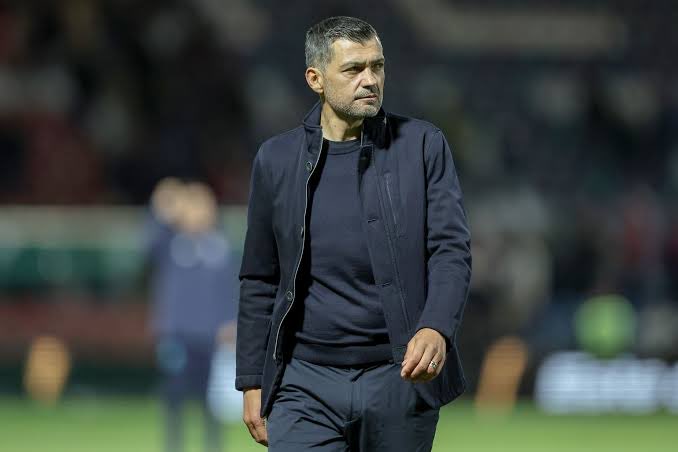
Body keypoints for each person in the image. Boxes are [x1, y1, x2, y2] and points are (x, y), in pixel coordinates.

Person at [235, 16, 472, 451]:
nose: (370, 80)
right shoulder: (276, 160)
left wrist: (436, 326)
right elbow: (259, 278)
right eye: (353, 69)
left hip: (398, 378)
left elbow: (450, 250)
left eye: (377, 66)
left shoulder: (423, 145)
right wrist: (251, 380)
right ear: (316, 79)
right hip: (303, 384)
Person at [146, 178, 236, 452]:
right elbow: (148, 244)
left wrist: (231, 322)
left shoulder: (219, 247)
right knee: (174, 396)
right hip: (178, 334)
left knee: (213, 401)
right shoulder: (171, 243)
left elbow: (231, 289)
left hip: (210, 336)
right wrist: (164, 209)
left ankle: (213, 446)